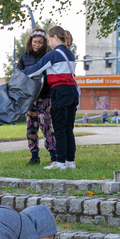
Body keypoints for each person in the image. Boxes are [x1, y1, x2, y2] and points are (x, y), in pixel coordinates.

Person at [24, 26, 79, 170]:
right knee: (68, 129)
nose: (49, 44)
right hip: (72, 92)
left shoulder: (53, 55)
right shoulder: (70, 54)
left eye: (49, 40)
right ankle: (70, 162)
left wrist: (20, 74)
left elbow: (35, 69)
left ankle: (60, 163)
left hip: (60, 93)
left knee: (59, 129)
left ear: (55, 38)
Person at [17, 29, 56, 166]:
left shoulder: (48, 56)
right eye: (35, 42)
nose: (37, 45)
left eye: (40, 42)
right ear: (30, 42)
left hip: (45, 96)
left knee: (45, 123)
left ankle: (53, 154)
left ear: (44, 43)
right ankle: (34, 156)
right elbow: (19, 75)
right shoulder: (24, 58)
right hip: (30, 98)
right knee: (31, 126)